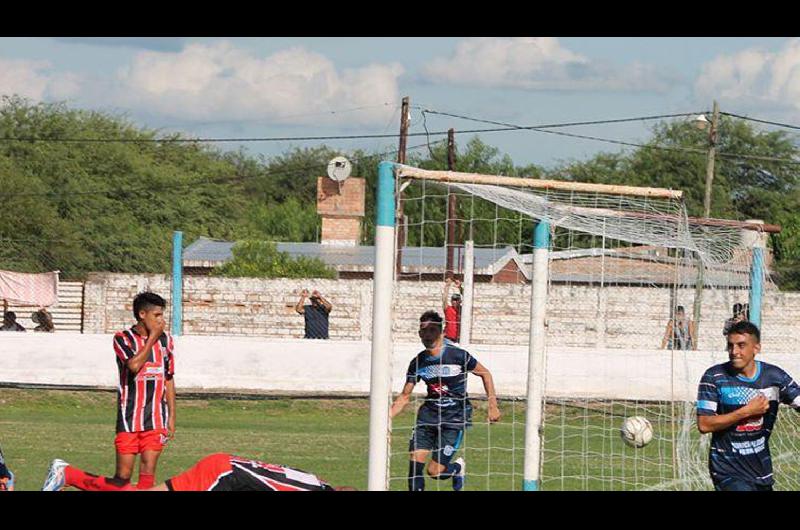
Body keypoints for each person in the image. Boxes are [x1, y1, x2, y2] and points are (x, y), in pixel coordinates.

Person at [70, 291, 176, 491]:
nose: (161, 321)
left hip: (155, 418)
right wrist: (152, 337)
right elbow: (134, 365)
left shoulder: (166, 341)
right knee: (122, 480)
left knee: (148, 473)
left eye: (162, 315)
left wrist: (171, 416)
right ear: (142, 315)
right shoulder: (122, 339)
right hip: (129, 417)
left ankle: (68, 475)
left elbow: (169, 377)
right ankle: (69, 475)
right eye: (157, 316)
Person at [389, 310, 501, 491]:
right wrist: (386, 419)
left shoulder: (458, 356)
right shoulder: (418, 362)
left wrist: (493, 405)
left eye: (432, 330)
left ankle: (456, 469)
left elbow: (485, 374)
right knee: (414, 469)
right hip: (427, 418)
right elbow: (404, 396)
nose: (427, 335)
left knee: (434, 471)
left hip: (454, 419)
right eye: (423, 331)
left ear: (441, 332)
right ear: (419, 334)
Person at [696, 320, 800, 491]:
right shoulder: (714, 377)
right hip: (727, 470)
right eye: (730, 346)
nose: (734, 351)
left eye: (741, 345)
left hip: (761, 470)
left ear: (756, 348)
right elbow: (704, 424)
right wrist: (746, 412)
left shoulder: (774, 377)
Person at [42, 453, 354, 491]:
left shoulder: (315, 481)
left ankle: (67, 474)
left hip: (223, 467)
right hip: (222, 477)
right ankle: (67, 474)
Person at [442, 278, 463, 343]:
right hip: (448, 338)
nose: (455, 301)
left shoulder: (462, 310)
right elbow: (444, 298)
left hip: (459, 338)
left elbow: (467, 297)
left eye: (456, 300)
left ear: (460, 301)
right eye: (453, 300)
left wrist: (460, 288)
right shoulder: (448, 309)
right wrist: (447, 286)